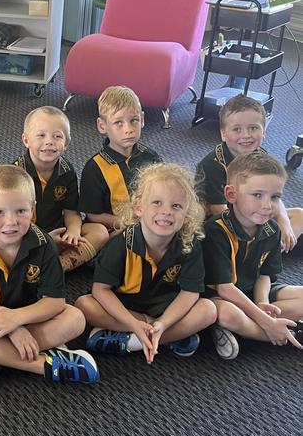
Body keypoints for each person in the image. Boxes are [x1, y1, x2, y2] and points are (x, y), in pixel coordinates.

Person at [0, 165, 99, 391]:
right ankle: (43, 365)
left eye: (21, 211)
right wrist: (13, 329)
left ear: (33, 209)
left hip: (29, 317)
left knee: (75, 318)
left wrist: (17, 319)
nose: (11, 222)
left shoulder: (44, 243)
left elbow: (54, 301)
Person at [75, 163, 216, 363]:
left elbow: (190, 292)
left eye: (176, 206)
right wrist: (133, 323)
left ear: (186, 215)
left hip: (167, 309)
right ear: (139, 207)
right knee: (85, 306)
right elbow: (101, 290)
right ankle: (169, 337)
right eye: (157, 202)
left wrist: (164, 323)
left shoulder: (189, 244)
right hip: (128, 308)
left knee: (208, 310)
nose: (166, 211)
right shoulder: (121, 243)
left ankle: (133, 342)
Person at [202, 151, 303, 360]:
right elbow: (224, 288)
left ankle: (248, 331)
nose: (267, 205)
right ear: (231, 195)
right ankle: (287, 334)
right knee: (228, 315)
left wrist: (261, 302)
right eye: (257, 195)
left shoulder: (272, 230)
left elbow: (265, 275)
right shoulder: (216, 230)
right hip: (220, 297)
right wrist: (267, 321)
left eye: (275, 197)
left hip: (252, 292)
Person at [196, 94, 303, 252]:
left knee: (299, 215)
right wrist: (264, 226)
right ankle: (265, 254)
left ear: (264, 130)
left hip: (255, 213)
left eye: (253, 128)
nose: (246, 135)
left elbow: (273, 195)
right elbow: (219, 210)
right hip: (222, 224)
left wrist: (284, 221)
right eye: (237, 129)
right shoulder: (211, 165)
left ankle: (269, 252)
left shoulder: (261, 156)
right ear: (223, 134)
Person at [13, 106, 108, 272]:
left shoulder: (67, 170)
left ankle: (56, 268)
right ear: (26, 140)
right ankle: (40, 267)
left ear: (66, 143)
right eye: (41, 135)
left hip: (58, 230)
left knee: (100, 232)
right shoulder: (16, 174)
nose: (49, 141)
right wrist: (45, 239)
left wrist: (73, 230)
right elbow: (12, 221)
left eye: (57, 136)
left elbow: (71, 211)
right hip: (26, 235)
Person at [79, 86, 162, 234]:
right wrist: (125, 223)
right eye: (118, 123)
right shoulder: (94, 168)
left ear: (142, 119)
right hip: (114, 229)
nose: (128, 129)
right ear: (102, 125)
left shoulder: (151, 157)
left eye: (134, 120)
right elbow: (92, 214)